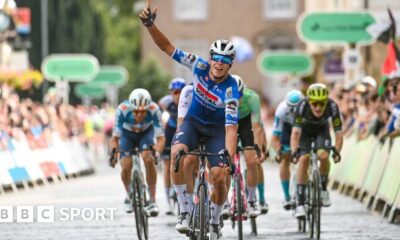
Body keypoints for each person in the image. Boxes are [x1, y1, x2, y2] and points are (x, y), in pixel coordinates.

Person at [139, 5, 240, 240]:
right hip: (193, 124)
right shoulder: (199, 65)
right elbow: (167, 47)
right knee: (178, 157)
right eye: (216, 57)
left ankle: (215, 221)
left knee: (219, 176)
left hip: (216, 131)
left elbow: (231, 127)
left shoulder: (231, 89)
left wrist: (230, 155)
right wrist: (150, 26)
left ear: (230, 64)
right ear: (211, 58)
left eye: (225, 60)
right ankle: (184, 211)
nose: (219, 63)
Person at [179, 76, 269, 217]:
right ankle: (224, 200)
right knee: (220, 163)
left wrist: (258, 148)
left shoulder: (252, 98)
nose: (236, 101)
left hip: (245, 123)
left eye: (238, 97)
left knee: (252, 161)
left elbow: (257, 127)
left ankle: (252, 200)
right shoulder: (219, 97)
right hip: (224, 121)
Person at [109, 88, 165, 217]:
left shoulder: (154, 109)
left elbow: (161, 139)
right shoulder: (122, 109)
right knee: (126, 165)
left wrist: (156, 152)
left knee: (148, 158)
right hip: (127, 135)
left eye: (143, 112)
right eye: (136, 112)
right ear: (131, 107)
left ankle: (152, 200)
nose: (139, 115)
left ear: (148, 108)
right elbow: (115, 139)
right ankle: (129, 195)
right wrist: (113, 153)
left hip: (146, 133)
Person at [290, 83, 343, 218]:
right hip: (305, 133)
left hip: (322, 131)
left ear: (326, 102)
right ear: (309, 101)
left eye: (321, 104)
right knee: (304, 158)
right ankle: (300, 204)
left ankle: (324, 189)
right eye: (314, 104)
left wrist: (337, 151)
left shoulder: (332, 106)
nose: (318, 108)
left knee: (324, 156)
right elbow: (295, 133)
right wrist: (294, 151)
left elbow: (338, 134)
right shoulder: (302, 106)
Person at [271, 90, 304, 210]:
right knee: (285, 159)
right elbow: (275, 138)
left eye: (297, 109)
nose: (294, 112)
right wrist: (280, 151)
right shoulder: (281, 110)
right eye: (292, 109)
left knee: (305, 154)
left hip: (302, 127)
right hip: (287, 128)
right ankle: (286, 196)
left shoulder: (307, 108)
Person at [158, 78, 186, 215]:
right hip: (170, 132)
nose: (178, 95)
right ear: (171, 93)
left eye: (180, 92)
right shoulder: (165, 102)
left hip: (184, 132)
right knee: (168, 164)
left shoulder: (189, 100)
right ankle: (168, 198)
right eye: (175, 92)